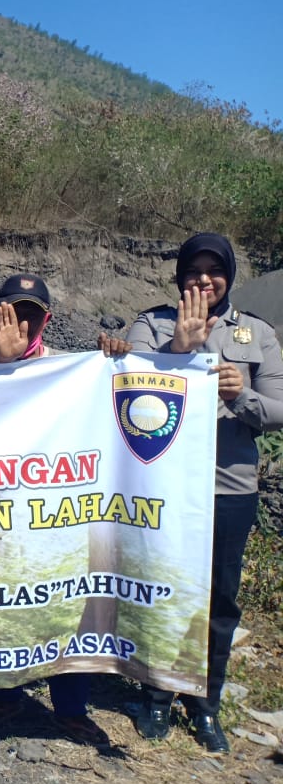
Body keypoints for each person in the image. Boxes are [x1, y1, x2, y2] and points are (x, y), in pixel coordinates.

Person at [116, 232, 283, 754]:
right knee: (160, 591)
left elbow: (280, 408)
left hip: (228, 487)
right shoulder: (151, 325)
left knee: (220, 601)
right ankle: (158, 694)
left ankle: (206, 702)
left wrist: (244, 396)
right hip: (161, 487)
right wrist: (178, 352)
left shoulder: (257, 334)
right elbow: (123, 388)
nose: (203, 279)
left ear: (229, 275)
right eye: (194, 269)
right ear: (179, 275)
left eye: (215, 270)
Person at [0, 272, 111, 746]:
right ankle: (2, 696)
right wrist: (2, 369)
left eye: (31, 314)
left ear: (47, 319)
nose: (21, 323)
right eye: (11, 312)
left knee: (67, 605)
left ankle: (70, 708)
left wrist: (119, 359)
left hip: (57, 516)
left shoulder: (76, 370)